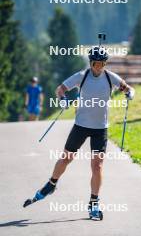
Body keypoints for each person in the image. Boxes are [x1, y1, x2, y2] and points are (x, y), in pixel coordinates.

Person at [23, 47, 135, 220]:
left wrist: (130, 93)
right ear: (90, 63)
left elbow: (128, 88)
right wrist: (62, 100)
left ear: (105, 64)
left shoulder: (110, 77)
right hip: (81, 126)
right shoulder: (81, 76)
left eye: (101, 64)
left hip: (100, 129)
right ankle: (51, 184)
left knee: (97, 166)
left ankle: (94, 203)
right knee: (66, 158)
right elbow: (60, 89)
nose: (98, 67)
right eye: (95, 64)